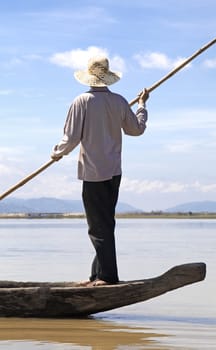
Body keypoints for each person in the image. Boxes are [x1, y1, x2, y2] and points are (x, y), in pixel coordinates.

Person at [51, 55, 149, 286]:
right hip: (114, 172)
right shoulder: (119, 102)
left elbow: (71, 138)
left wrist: (56, 152)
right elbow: (136, 130)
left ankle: (107, 277)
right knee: (105, 223)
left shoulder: (82, 101)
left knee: (98, 227)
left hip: (94, 172)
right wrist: (143, 106)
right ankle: (96, 275)